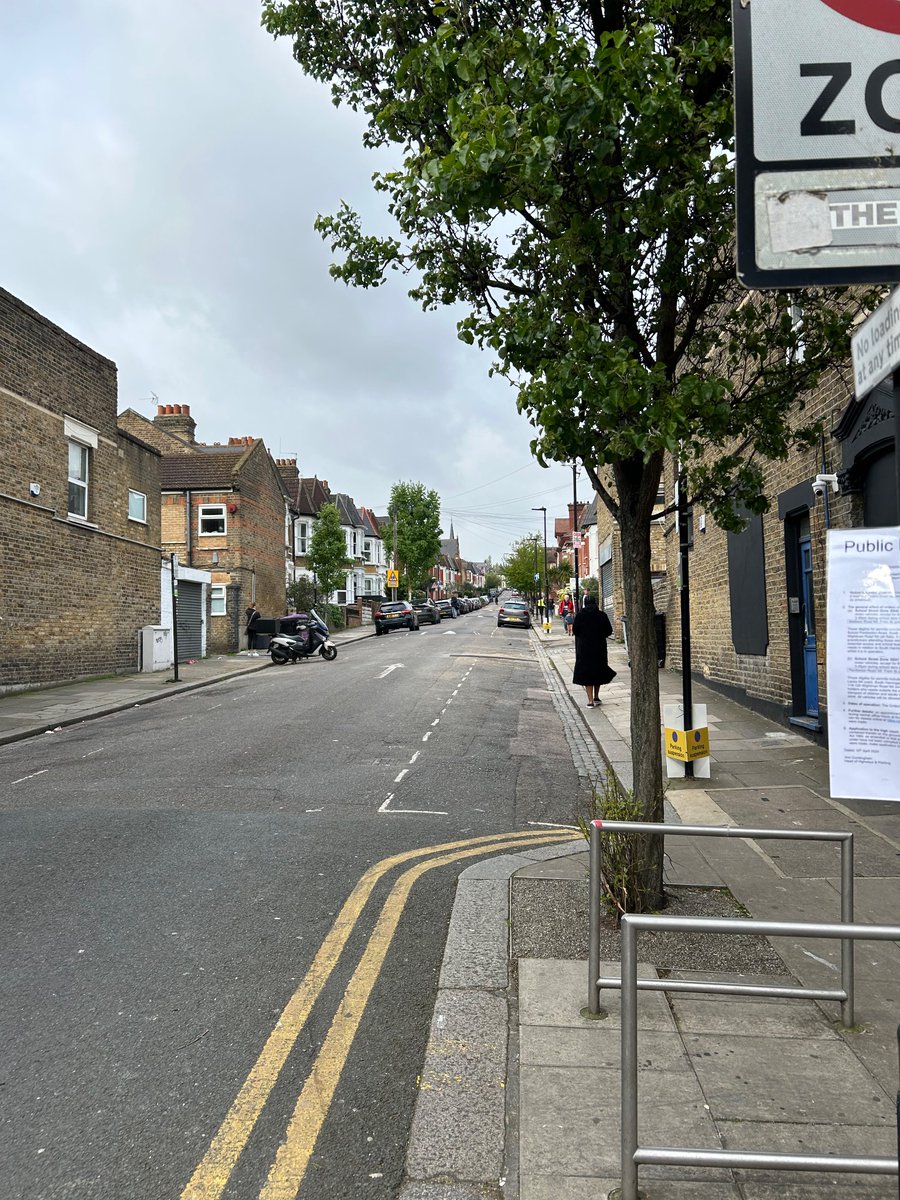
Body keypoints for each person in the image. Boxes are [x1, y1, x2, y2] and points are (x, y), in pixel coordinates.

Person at [572, 593, 616, 707]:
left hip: (585, 649)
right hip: (599, 648)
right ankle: (597, 697)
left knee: (587, 674)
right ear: (596, 603)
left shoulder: (580, 615)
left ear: (585, 603)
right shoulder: (602, 615)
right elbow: (609, 631)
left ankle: (590, 701)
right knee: (598, 672)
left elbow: (575, 631)